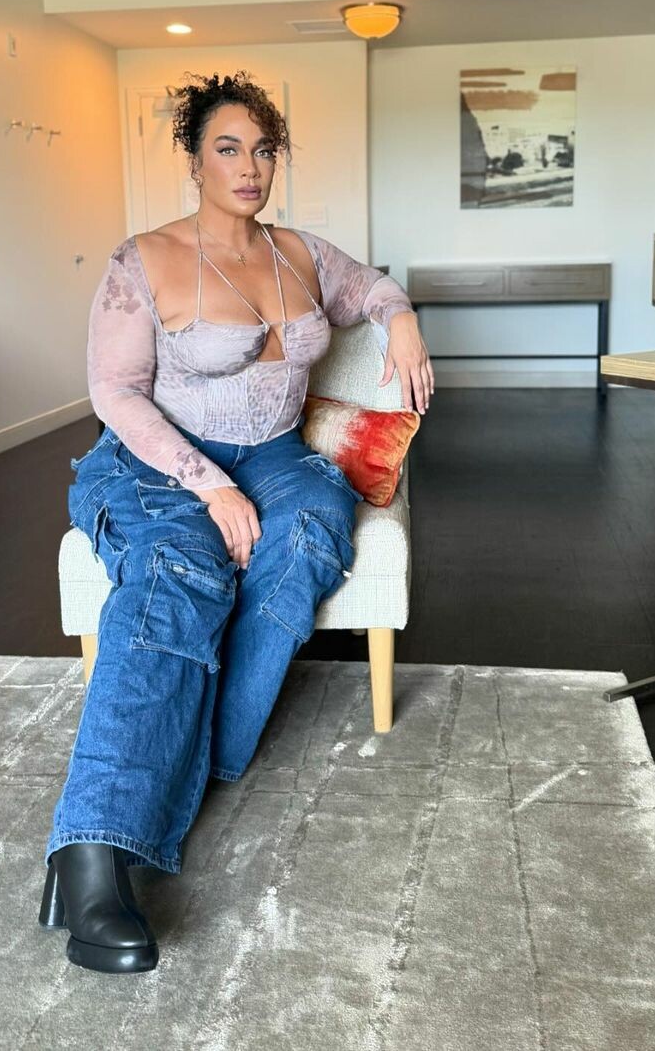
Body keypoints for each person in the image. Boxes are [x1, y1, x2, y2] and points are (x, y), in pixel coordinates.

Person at [39, 70, 433, 973]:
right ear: (195, 160)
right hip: (157, 458)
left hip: (278, 457)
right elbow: (115, 394)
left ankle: (194, 759)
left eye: (263, 150)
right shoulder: (142, 260)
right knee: (182, 570)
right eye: (228, 149)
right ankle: (90, 852)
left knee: (309, 537)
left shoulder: (302, 253)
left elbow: (373, 289)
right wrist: (209, 486)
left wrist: (402, 319)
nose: (249, 167)